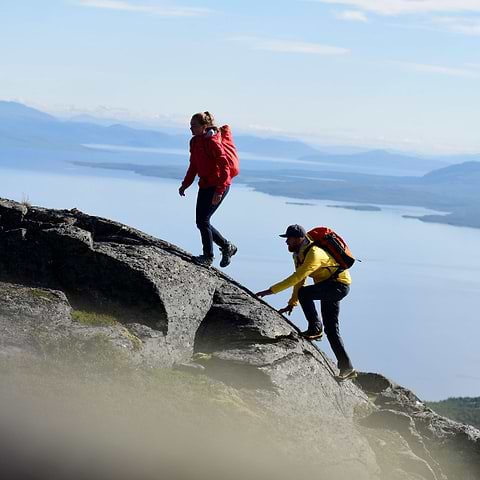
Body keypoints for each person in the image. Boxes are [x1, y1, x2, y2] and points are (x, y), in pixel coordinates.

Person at [256, 224, 356, 380]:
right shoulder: (298, 255)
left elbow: (297, 278)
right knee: (331, 330)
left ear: (298, 238)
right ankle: (347, 367)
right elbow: (300, 280)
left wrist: (270, 291)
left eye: (288, 239)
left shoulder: (314, 254)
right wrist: (292, 302)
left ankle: (315, 328)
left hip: (338, 285)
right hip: (328, 286)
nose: (286, 242)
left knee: (307, 296)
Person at [179, 111, 238, 267]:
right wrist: (186, 184)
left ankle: (208, 257)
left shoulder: (212, 142)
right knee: (201, 222)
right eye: (190, 125)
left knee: (203, 221)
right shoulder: (194, 142)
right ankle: (226, 246)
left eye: (194, 125)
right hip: (205, 185)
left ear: (205, 126)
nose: (190, 128)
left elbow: (225, 167)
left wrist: (219, 191)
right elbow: (194, 166)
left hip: (218, 185)